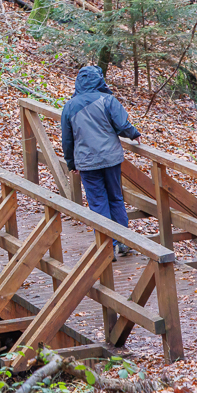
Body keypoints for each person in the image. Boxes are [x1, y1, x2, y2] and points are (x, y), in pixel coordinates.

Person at [60, 66, 141, 258]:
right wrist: (134, 134)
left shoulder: (70, 106)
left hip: (87, 162)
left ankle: (107, 248)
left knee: (98, 203)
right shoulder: (107, 100)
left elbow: (67, 139)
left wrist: (72, 163)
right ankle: (122, 241)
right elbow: (122, 125)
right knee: (115, 198)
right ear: (99, 80)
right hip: (111, 159)